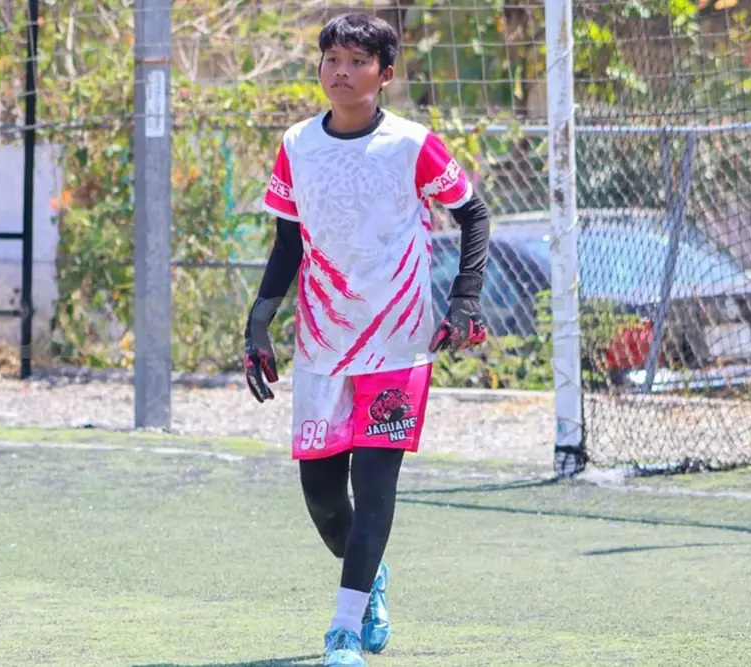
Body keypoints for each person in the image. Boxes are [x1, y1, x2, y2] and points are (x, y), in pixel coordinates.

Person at [242, 13, 491, 667]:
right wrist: (258, 322)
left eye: (356, 61)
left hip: (398, 342)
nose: (340, 71)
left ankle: (343, 630)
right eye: (331, 59)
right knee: (324, 498)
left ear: (385, 74)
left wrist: (463, 302)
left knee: (374, 478)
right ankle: (368, 572)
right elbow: (287, 242)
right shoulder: (296, 145)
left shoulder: (413, 145)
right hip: (323, 345)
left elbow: (473, 213)